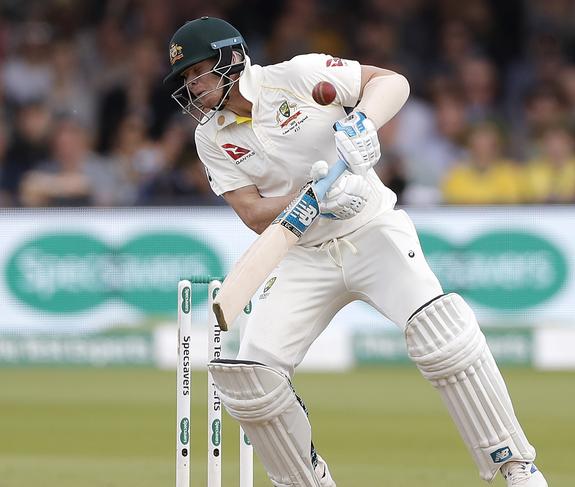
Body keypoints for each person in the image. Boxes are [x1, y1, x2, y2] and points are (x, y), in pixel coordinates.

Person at [164, 17, 548, 487]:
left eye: (197, 72)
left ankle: (516, 468)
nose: (192, 87)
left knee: (441, 335)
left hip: (371, 228)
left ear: (229, 57)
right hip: (302, 253)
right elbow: (252, 212)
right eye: (185, 80)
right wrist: (311, 196)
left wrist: (363, 122)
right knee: (251, 382)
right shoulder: (211, 136)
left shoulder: (296, 75)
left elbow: (392, 82)